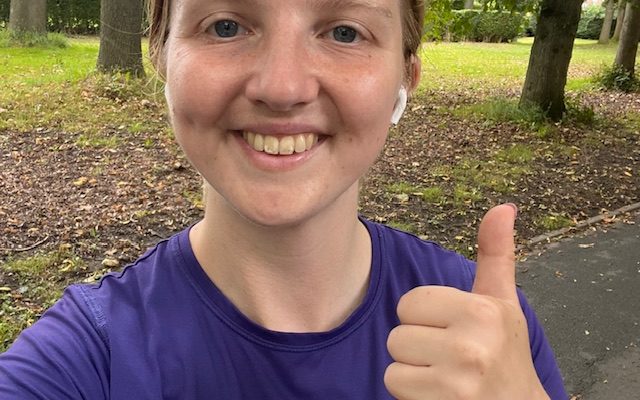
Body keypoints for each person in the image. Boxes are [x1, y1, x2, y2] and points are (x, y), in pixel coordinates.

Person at [0, 0, 568, 398]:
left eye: (345, 32)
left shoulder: (486, 328)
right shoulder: (86, 360)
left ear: (405, 79)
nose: (283, 87)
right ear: (161, 58)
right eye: (225, 26)